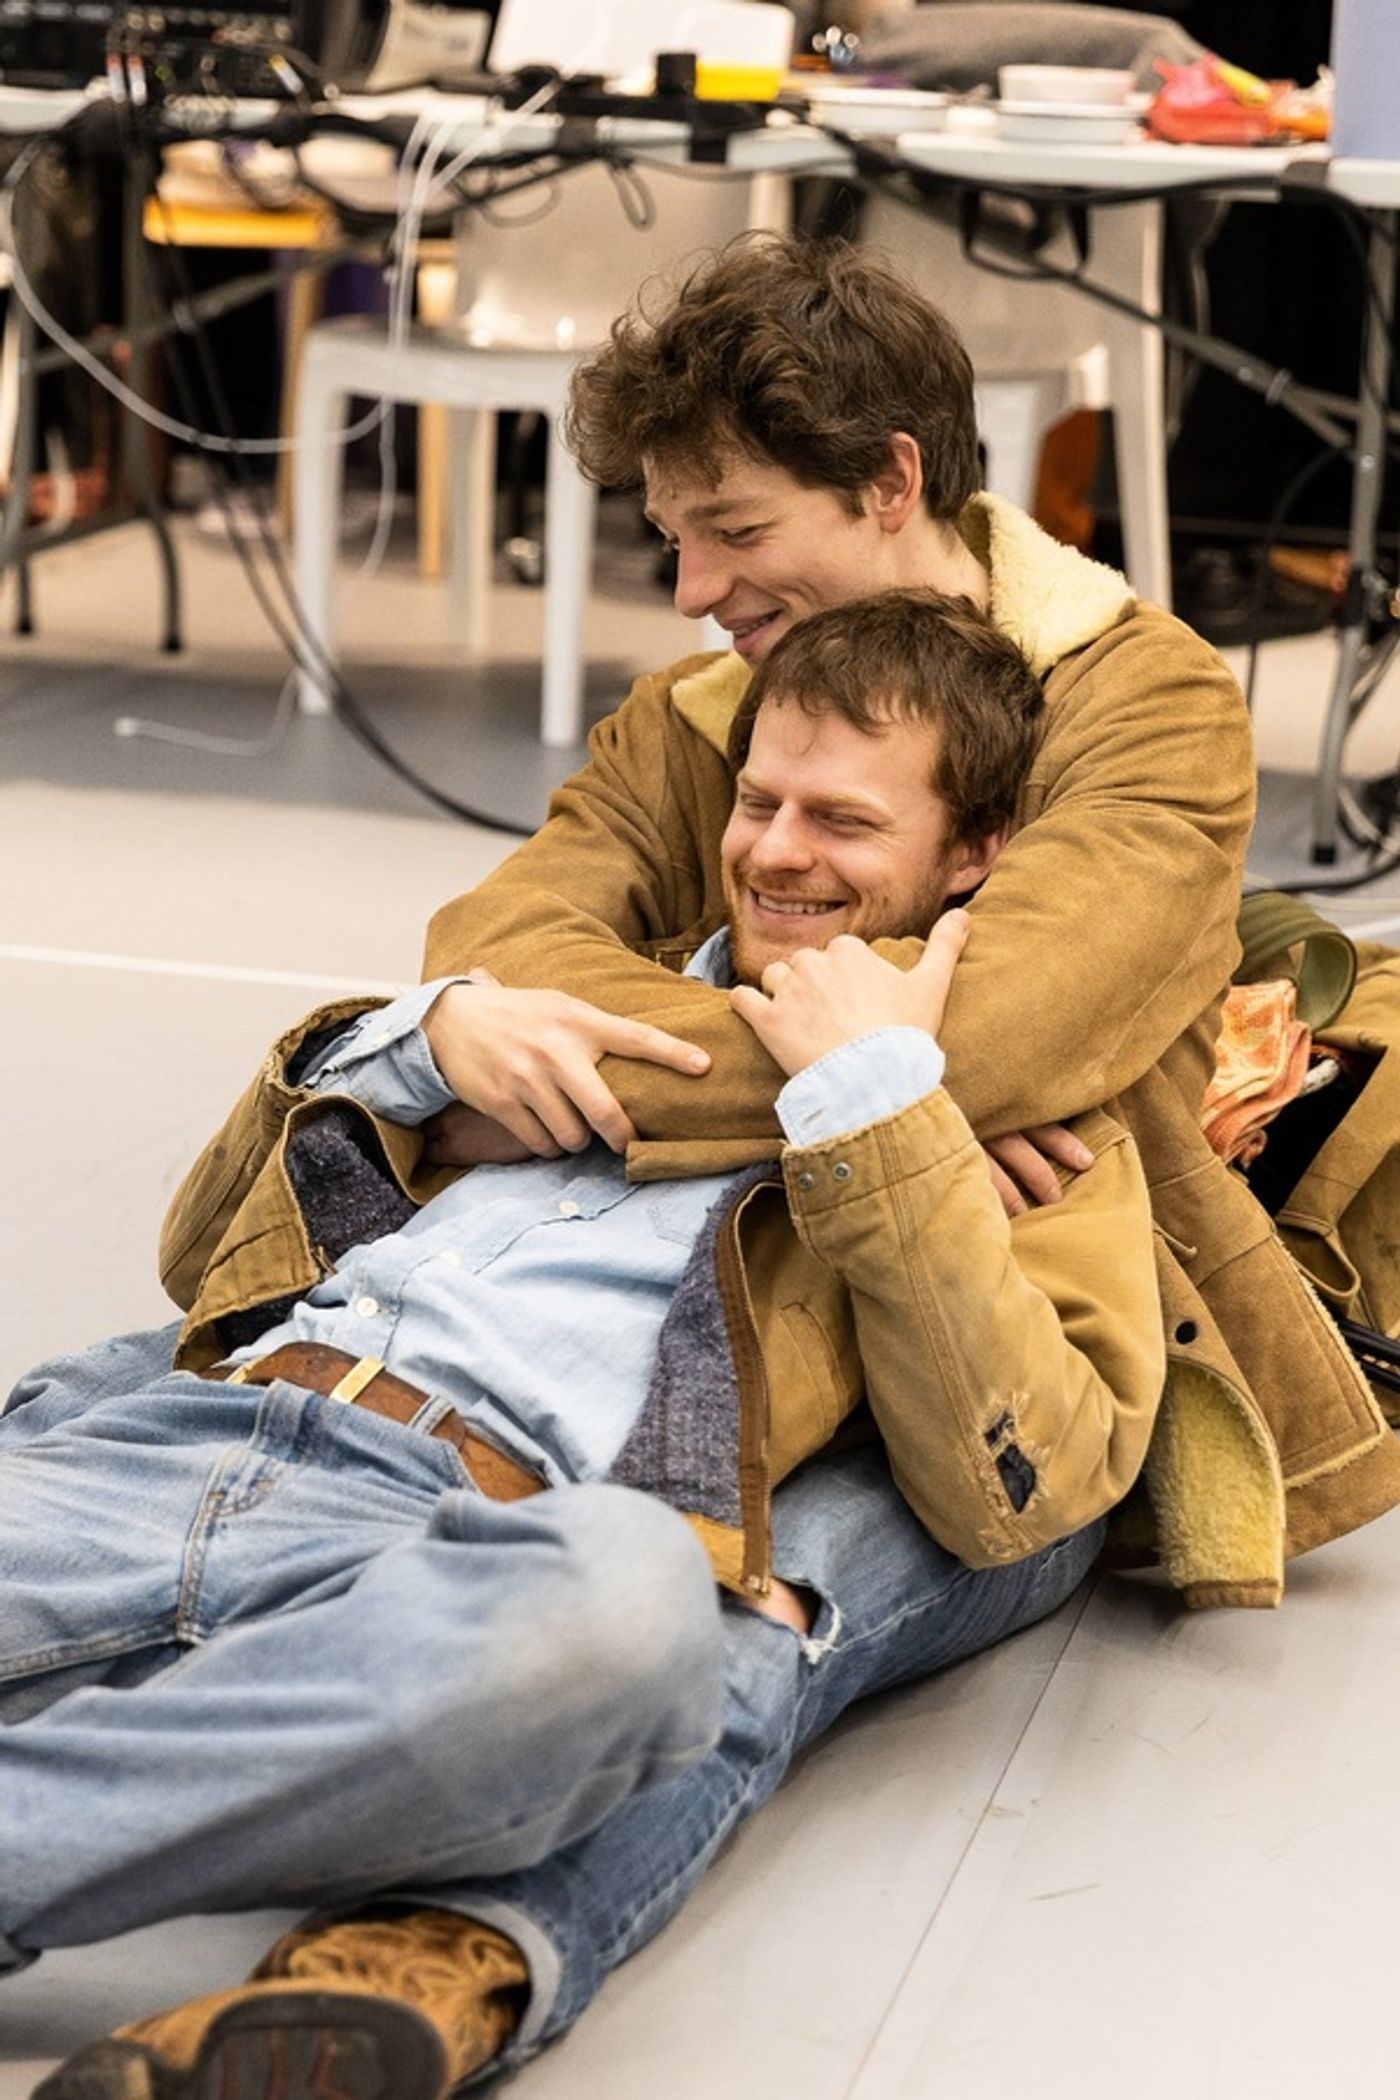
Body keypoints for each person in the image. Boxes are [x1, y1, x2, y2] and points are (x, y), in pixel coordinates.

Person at [20, 591, 1166, 2100]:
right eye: (760, 799)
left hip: (486, 1541)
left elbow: (1030, 1486)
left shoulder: (1014, 1133)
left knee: (632, 1619)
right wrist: (420, 1043)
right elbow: (203, 1259)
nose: (777, 849)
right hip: (193, 1441)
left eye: (842, 819)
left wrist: (883, 1108)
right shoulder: (573, 1003)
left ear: (974, 855)